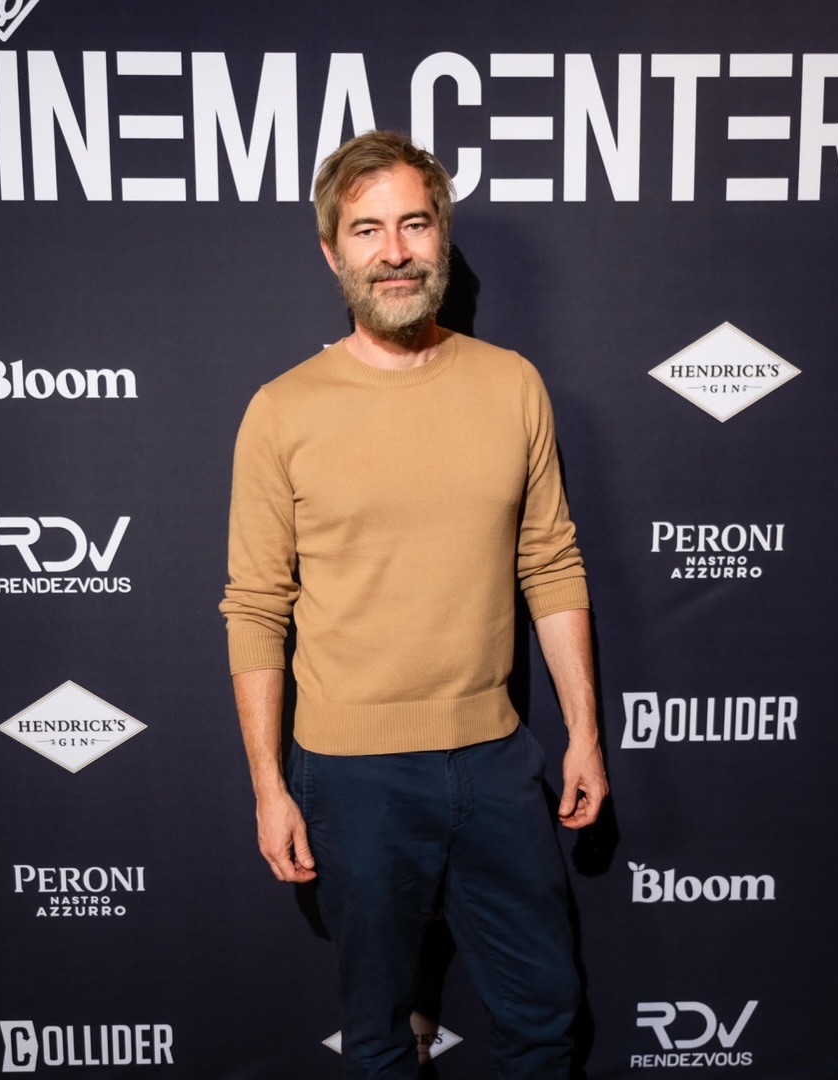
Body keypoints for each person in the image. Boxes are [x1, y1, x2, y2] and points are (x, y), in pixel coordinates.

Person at [221, 130, 608, 1080]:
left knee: (544, 1022)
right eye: (367, 231)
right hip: (350, 779)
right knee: (383, 1036)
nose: (394, 251)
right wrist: (270, 786)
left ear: (442, 236)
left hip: (495, 760)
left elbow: (551, 563)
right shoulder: (282, 410)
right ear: (332, 252)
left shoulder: (512, 382)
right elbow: (256, 607)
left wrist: (586, 734)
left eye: (413, 224)